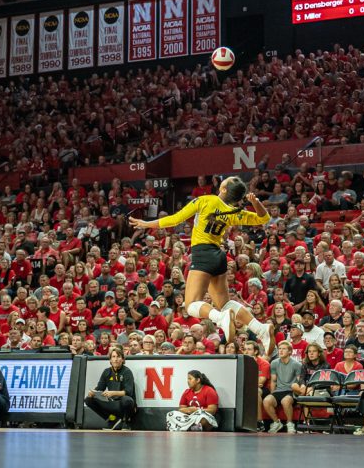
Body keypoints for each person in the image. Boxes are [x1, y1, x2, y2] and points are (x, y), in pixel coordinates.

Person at [129, 177, 272, 349]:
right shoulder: (234, 212)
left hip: (202, 254)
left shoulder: (205, 200)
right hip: (219, 256)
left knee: (190, 305)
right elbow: (264, 218)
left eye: (227, 180)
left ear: (224, 189)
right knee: (225, 303)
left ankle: (221, 318)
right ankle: (261, 329)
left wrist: (146, 224)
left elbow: (175, 219)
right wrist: (255, 203)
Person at [85, 347, 136, 430]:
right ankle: (112, 420)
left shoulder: (127, 372)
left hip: (122, 403)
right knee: (88, 400)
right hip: (112, 403)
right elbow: (99, 388)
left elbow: (128, 392)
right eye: (113, 357)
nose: (116, 359)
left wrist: (112, 393)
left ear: (123, 359)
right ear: (110, 360)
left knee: (127, 400)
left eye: (118, 357)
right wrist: (93, 393)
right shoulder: (107, 372)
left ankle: (126, 422)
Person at [264, 340, 302, 434]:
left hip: (291, 391)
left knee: (285, 401)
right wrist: (273, 394)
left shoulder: (296, 364)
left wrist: (298, 395)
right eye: (280, 349)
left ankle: (290, 423)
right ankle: (277, 423)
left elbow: (299, 382)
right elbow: (273, 380)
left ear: (290, 351)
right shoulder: (274, 363)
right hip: (279, 390)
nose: (280, 351)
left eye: (284, 349)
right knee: (266, 400)